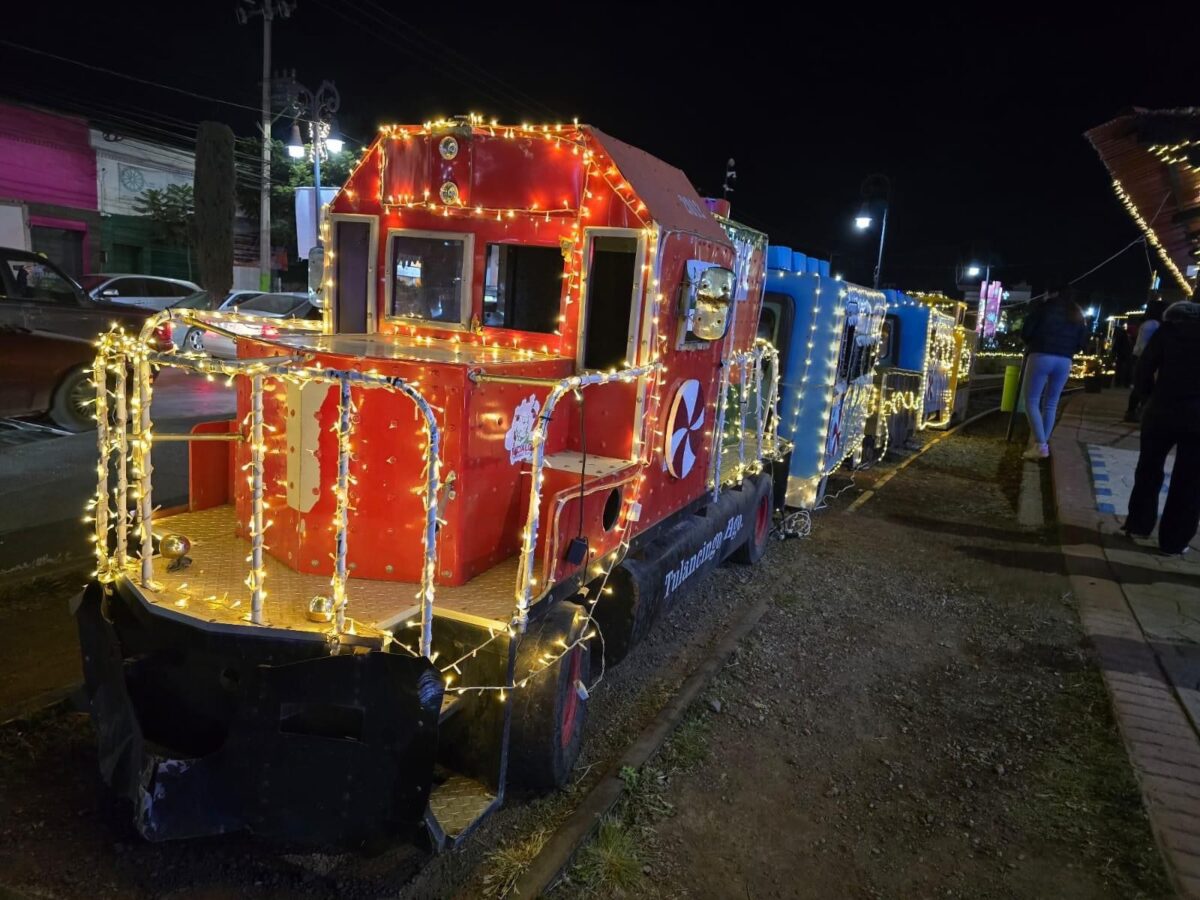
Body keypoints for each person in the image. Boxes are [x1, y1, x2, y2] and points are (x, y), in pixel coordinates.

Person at [1123, 300, 1200, 556]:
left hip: (1163, 409)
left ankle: (1138, 524)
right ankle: (1174, 542)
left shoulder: (1167, 331)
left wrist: (1147, 398)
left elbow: (1144, 368)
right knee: (1189, 480)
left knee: (1149, 468)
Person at [1019, 288, 1089, 460]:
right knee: (1051, 403)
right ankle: (1042, 444)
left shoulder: (1043, 308)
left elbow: (1026, 331)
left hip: (1041, 355)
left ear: (1053, 293)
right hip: (1064, 360)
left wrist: (1032, 342)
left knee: (1032, 401)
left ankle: (1041, 445)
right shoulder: (1077, 314)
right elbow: (1082, 341)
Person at [1124, 301, 1166, 421]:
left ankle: (1133, 412)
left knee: (1141, 386)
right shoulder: (1154, 325)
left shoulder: (1147, 324)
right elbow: (1149, 345)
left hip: (1139, 357)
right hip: (1144, 358)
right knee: (1145, 387)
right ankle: (1141, 413)